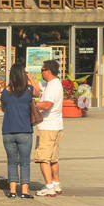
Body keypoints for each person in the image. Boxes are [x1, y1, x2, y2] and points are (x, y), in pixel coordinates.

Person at [1, 62, 36, 199]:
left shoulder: (5, 92)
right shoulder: (28, 91)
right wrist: (30, 77)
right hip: (25, 131)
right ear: (23, 75)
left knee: (11, 162)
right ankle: (25, 191)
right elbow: (38, 90)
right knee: (25, 162)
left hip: (8, 132)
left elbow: (3, 108)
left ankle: (12, 191)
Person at [34, 58, 64, 196]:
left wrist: (32, 104)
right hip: (57, 126)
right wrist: (28, 77)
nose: (41, 72)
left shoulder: (52, 86)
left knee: (43, 158)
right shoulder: (53, 83)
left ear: (49, 71)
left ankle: (49, 186)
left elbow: (47, 105)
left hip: (47, 127)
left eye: (42, 70)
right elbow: (37, 86)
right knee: (53, 159)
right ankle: (56, 184)